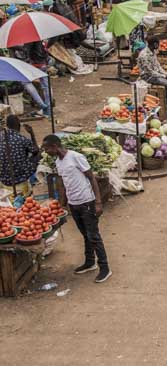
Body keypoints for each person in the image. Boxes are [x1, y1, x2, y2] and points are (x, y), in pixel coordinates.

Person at [42, 135, 110, 283]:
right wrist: (61, 205)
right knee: (85, 234)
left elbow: (92, 178)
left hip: (87, 202)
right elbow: (64, 184)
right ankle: (90, 262)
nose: (46, 151)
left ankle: (105, 268)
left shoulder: (76, 157)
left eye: (47, 148)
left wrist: (98, 202)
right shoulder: (58, 163)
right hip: (74, 204)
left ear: (54, 146)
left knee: (94, 236)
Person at [0, 115, 38, 199]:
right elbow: (35, 151)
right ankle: (32, 182)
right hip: (19, 177)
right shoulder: (21, 139)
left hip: (3, 177)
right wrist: (32, 133)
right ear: (19, 125)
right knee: (37, 157)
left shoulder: (1, 136)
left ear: (7, 125)